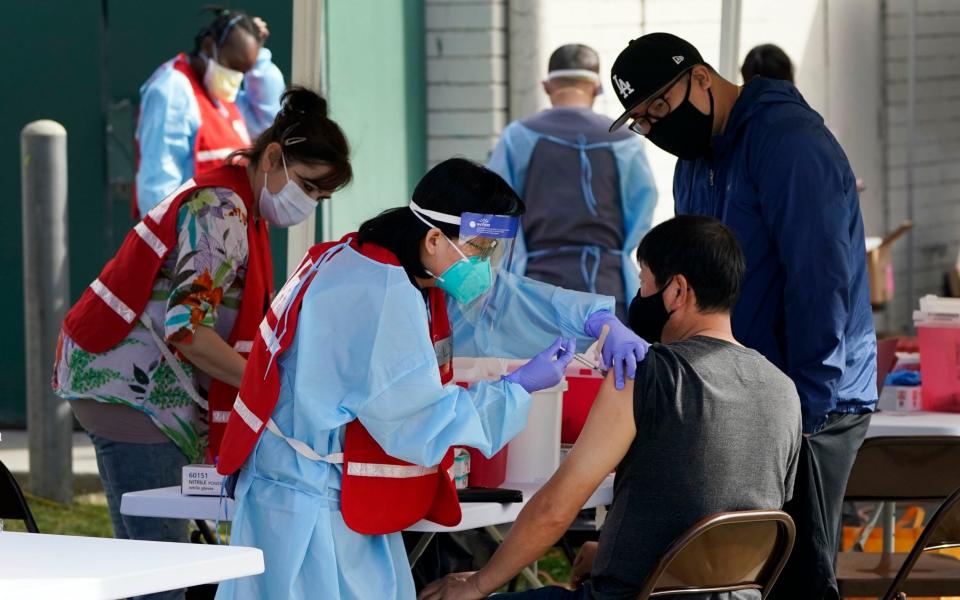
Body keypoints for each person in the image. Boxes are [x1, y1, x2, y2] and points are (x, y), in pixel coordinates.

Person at [212, 158, 650, 600]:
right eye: (480, 250)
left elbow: (501, 301)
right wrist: (515, 389)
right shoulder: (379, 293)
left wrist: (593, 319)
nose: (485, 265)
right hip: (305, 507)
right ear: (436, 237)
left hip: (314, 491)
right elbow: (418, 421)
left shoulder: (388, 263)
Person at [606, 33, 877, 599]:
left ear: (702, 78)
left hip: (812, 400)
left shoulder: (789, 142)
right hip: (742, 395)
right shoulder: (693, 162)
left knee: (796, 577)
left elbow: (821, 281)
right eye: (641, 119)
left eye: (660, 105)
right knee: (731, 575)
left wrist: (805, 409)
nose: (655, 127)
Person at [53, 88, 350, 600]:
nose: (308, 204)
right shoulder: (222, 210)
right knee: (159, 574)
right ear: (273, 156)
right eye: (306, 186)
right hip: (130, 391)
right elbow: (188, 331)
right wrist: (271, 385)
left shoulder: (235, 202)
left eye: (319, 198)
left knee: (151, 566)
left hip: (129, 384)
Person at [418, 215, 803, 600]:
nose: (638, 297)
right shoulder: (784, 391)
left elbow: (555, 508)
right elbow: (729, 514)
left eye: (643, 282)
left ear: (676, 292)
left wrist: (478, 583)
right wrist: (613, 553)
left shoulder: (644, 375)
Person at [487, 44, 657, 321]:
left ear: (546, 86)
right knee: (608, 362)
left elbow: (495, 211)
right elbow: (642, 206)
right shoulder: (625, 141)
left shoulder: (518, 137)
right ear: (597, 88)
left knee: (545, 363)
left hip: (535, 291)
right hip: (608, 289)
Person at [133, 7, 285, 218]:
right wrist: (170, 246)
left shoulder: (222, 96)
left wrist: (259, 57)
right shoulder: (171, 90)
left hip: (228, 237)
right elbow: (158, 182)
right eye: (232, 66)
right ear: (207, 46)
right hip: (192, 242)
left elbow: (267, 124)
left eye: (243, 71)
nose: (235, 78)